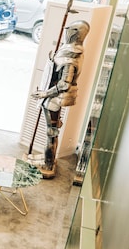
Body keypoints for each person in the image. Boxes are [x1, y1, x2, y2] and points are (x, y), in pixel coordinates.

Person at [31, 19, 90, 179]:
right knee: (52, 130)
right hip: (53, 96)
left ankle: (48, 164)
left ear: (75, 33)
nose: (66, 31)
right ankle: (46, 158)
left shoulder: (72, 54)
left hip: (55, 98)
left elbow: (64, 83)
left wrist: (44, 94)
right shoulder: (70, 49)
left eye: (69, 29)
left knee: (51, 132)